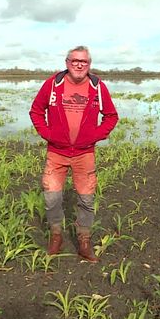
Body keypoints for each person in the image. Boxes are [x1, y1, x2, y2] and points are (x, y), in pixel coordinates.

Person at [30, 45, 118, 263]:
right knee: (52, 198)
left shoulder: (98, 87)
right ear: (67, 63)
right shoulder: (52, 85)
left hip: (84, 154)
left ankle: (84, 242)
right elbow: (36, 111)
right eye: (75, 61)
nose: (79, 65)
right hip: (56, 153)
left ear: (89, 65)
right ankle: (56, 237)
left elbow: (111, 116)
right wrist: (47, 133)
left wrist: (95, 135)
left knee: (86, 200)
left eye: (84, 62)